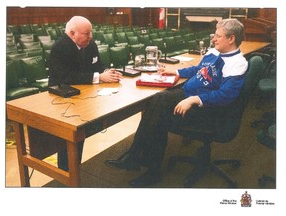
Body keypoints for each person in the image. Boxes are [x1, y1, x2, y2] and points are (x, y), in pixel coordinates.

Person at [105, 18, 248, 187]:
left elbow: (225, 96)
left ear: (231, 38)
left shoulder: (238, 63)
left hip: (208, 110)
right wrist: (177, 71)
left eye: (218, 36)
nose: (213, 39)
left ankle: (145, 166)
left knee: (158, 115)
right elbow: (198, 70)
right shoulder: (215, 52)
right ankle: (136, 158)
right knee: (155, 102)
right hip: (188, 95)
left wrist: (195, 99)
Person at [48, 16, 123, 171]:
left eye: (91, 33)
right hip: (62, 99)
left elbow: (98, 66)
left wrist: (107, 73)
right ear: (72, 33)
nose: (90, 37)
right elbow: (65, 77)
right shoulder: (60, 47)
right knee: (70, 138)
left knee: (81, 135)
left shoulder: (90, 44)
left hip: (85, 95)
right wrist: (98, 77)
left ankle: (74, 168)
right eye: (86, 33)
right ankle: (67, 171)